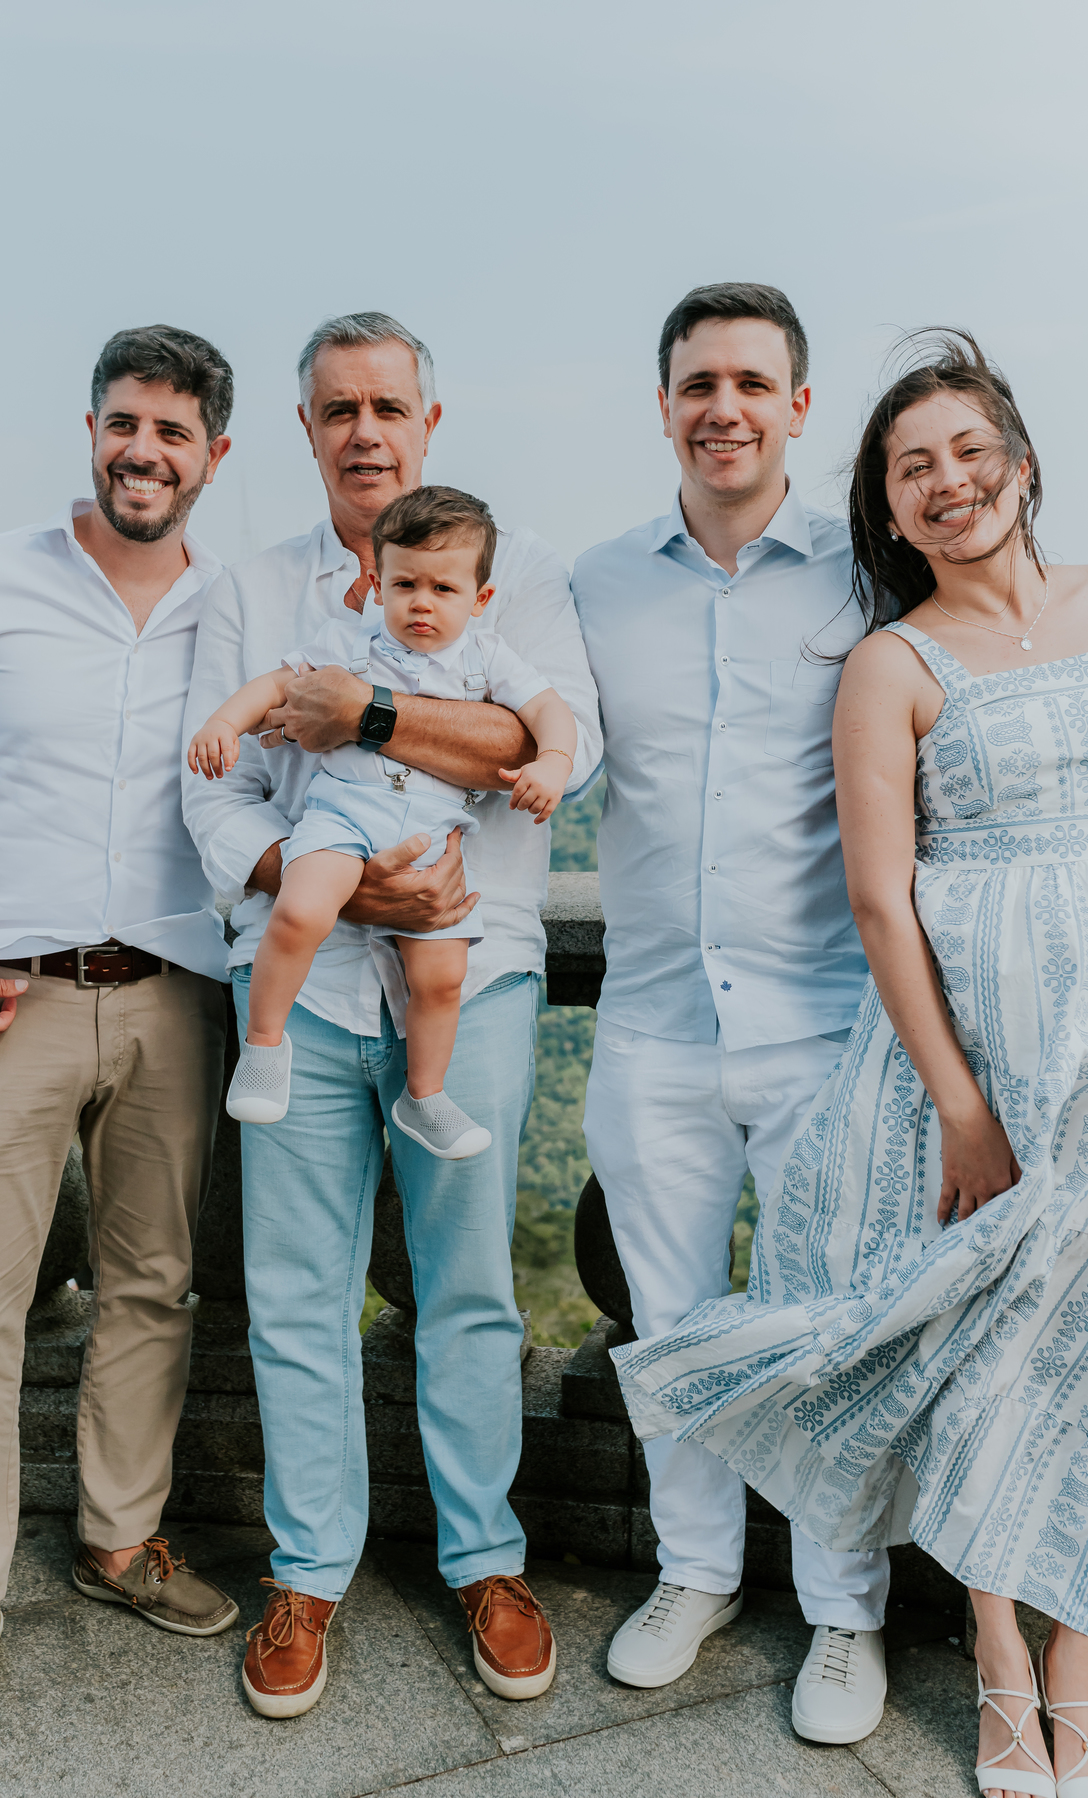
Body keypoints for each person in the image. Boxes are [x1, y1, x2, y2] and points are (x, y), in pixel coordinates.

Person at [609, 329, 1088, 1798]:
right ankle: (1005, 1673)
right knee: (977, 1343)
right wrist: (961, 1103)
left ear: (1018, 454)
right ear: (884, 508)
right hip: (987, 1052)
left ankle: (1077, 1671)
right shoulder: (887, 658)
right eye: (912, 469)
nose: (949, 483)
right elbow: (883, 896)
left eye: (967, 450)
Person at [182, 311, 600, 1717]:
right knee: (294, 1290)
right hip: (300, 978)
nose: (366, 429)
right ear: (306, 430)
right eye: (338, 408)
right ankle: (308, 1570)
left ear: (431, 422)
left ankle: (486, 1555)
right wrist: (351, 900)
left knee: (467, 1282)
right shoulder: (252, 588)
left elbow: (549, 741)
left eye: (389, 406)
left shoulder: (516, 572)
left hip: (467, 977)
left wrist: (360, 713)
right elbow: (214, 789)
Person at [0, 326, 241, 1753]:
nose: (143, 451)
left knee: (155, 1285)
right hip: (0, 996)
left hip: (174, 991)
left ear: (217, 453)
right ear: (90, 428)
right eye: (124, 424)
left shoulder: (237, 608)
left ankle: (120, 1537)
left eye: (172, 432)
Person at [572, 283, 892, 1744]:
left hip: (825, 1017)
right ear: (664, 403)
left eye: (754, 383)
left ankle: (845, 1610)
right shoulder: (594, 584)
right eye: (700, 381)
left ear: (799, 408)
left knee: (829, 1325)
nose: (726, 407)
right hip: (647, 1019)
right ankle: (694, 1571)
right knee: (671, 1320)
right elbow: (532, 750)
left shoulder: (864, 579)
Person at [188, 486, 577, 1145]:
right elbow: (276, 688)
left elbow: (548, 713)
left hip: (432, 840)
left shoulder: (484, 657)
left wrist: (554, 763)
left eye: (443, 590)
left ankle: (425, 1096)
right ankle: (263, 1047)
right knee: (303, 911)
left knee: (443, 976)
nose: (421, 603)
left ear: (479, 600)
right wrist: (226, 723)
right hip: (341, 821)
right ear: (378, 583)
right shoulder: (350, 641)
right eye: (405, 585)